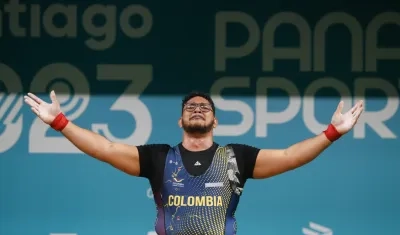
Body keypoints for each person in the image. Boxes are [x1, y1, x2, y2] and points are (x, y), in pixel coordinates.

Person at [24, 90, 364, 235]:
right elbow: (104, 148)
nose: (198, 108)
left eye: (205, 107)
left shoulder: (236, 157)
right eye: (191, 106)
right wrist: (60, 123)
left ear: (215, 121)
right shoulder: (159, 158)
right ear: (180, 121)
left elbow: (290, 158)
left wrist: (333, 132)